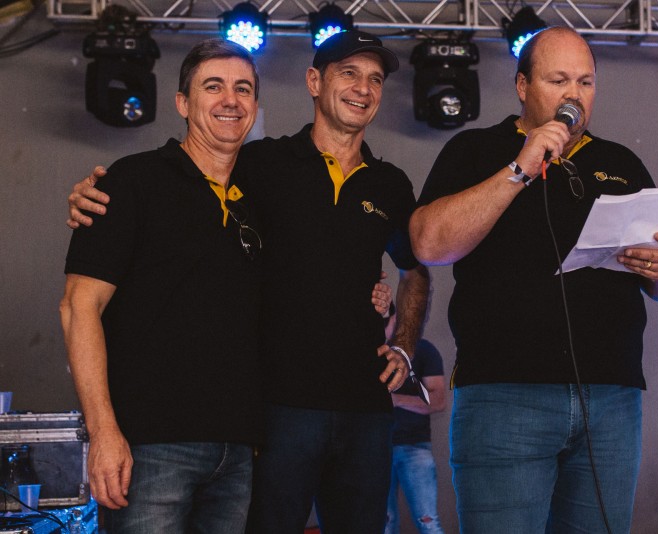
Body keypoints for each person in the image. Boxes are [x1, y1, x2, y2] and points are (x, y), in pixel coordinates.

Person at [66, 30, 430, 534]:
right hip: (232, 422)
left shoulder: (378, 184)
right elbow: (81, 302)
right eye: (349, 73)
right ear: (313, 81)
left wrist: (401, 338)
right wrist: (91, 193)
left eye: (374, 79)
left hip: (305, 423)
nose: (362, 88)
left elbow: (413, 266)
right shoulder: (250, 166)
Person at [409, 26, 658, 533]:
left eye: (585, 82)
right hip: (505, 396)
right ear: (523, 86)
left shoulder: (619, 162)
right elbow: (429, 244)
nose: (573, 95)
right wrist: (520, 167)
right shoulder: (475, 149)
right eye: (558, 80)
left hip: (610, 400)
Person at [59, 38, 265, 533]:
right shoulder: (131, 182)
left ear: (256, 106)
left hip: (238, 452)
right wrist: (103, 432)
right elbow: (77, 307)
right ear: (182, 103)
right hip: (149, 449)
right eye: (213, 87)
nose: (231, 100)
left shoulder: (260, 198)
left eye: (243, 89)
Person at [383, 304, 447, 534]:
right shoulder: (373, 352)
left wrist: (396, 400)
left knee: (427, 521)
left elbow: (438, 401)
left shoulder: (423, 350)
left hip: (413, 447)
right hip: (376, 448)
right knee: (384, 523)